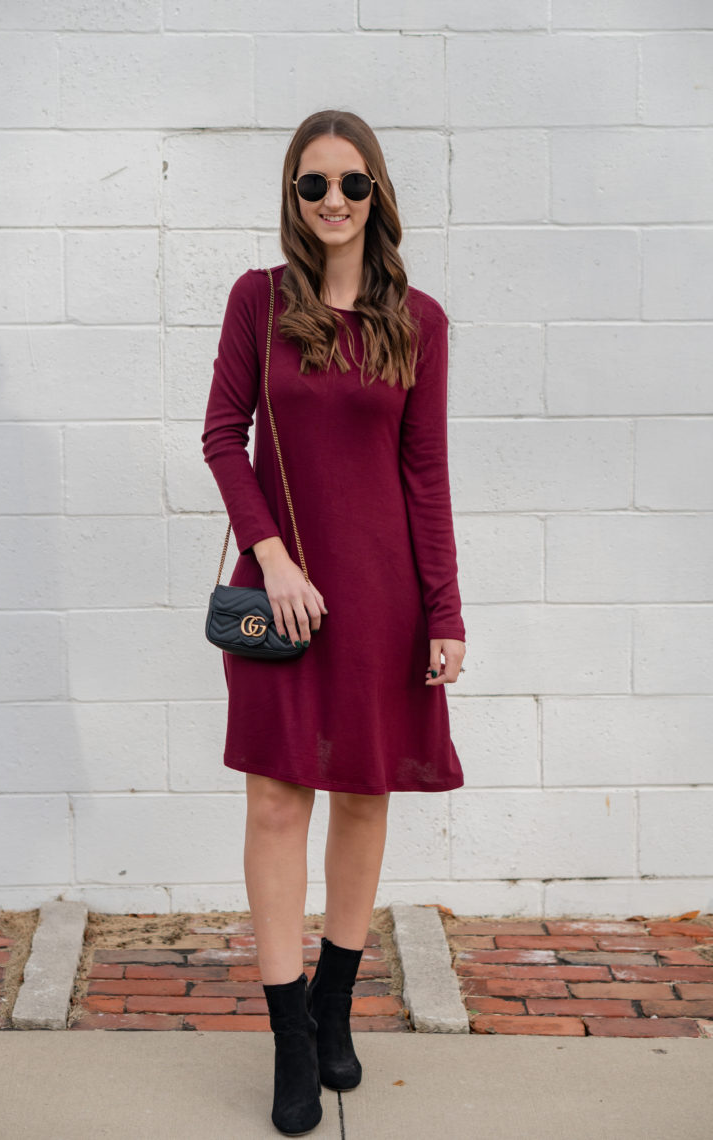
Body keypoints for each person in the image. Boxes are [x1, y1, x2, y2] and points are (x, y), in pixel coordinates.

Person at [201, 108, 467, 1136]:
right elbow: (225, 438)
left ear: (378, 195)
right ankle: (289, 1038)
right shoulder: (257, 303)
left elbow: (426, 477)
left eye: (351, 184)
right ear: (292, 199)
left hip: (386, 599)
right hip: (284, 599)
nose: (333, 203)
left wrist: (444, 611)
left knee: (362, 795)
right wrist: (271, 559)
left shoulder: (421, 323)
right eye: (313, 186)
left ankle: (334, 1002)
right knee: (276, 804)